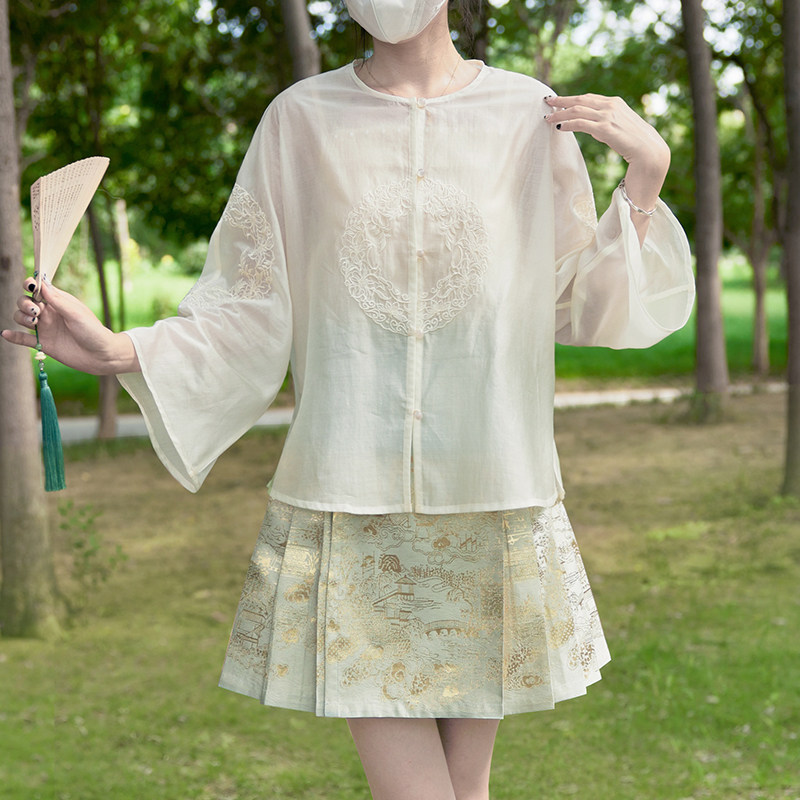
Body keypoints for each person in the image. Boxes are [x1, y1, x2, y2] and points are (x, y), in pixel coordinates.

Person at [2, 1, 695, 797]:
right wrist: (119, 351)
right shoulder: (301, 120)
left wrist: (646, 176)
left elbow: (574, 302)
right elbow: (248, 304)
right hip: (351, 506)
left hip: (493, 497)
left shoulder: (529, 117)